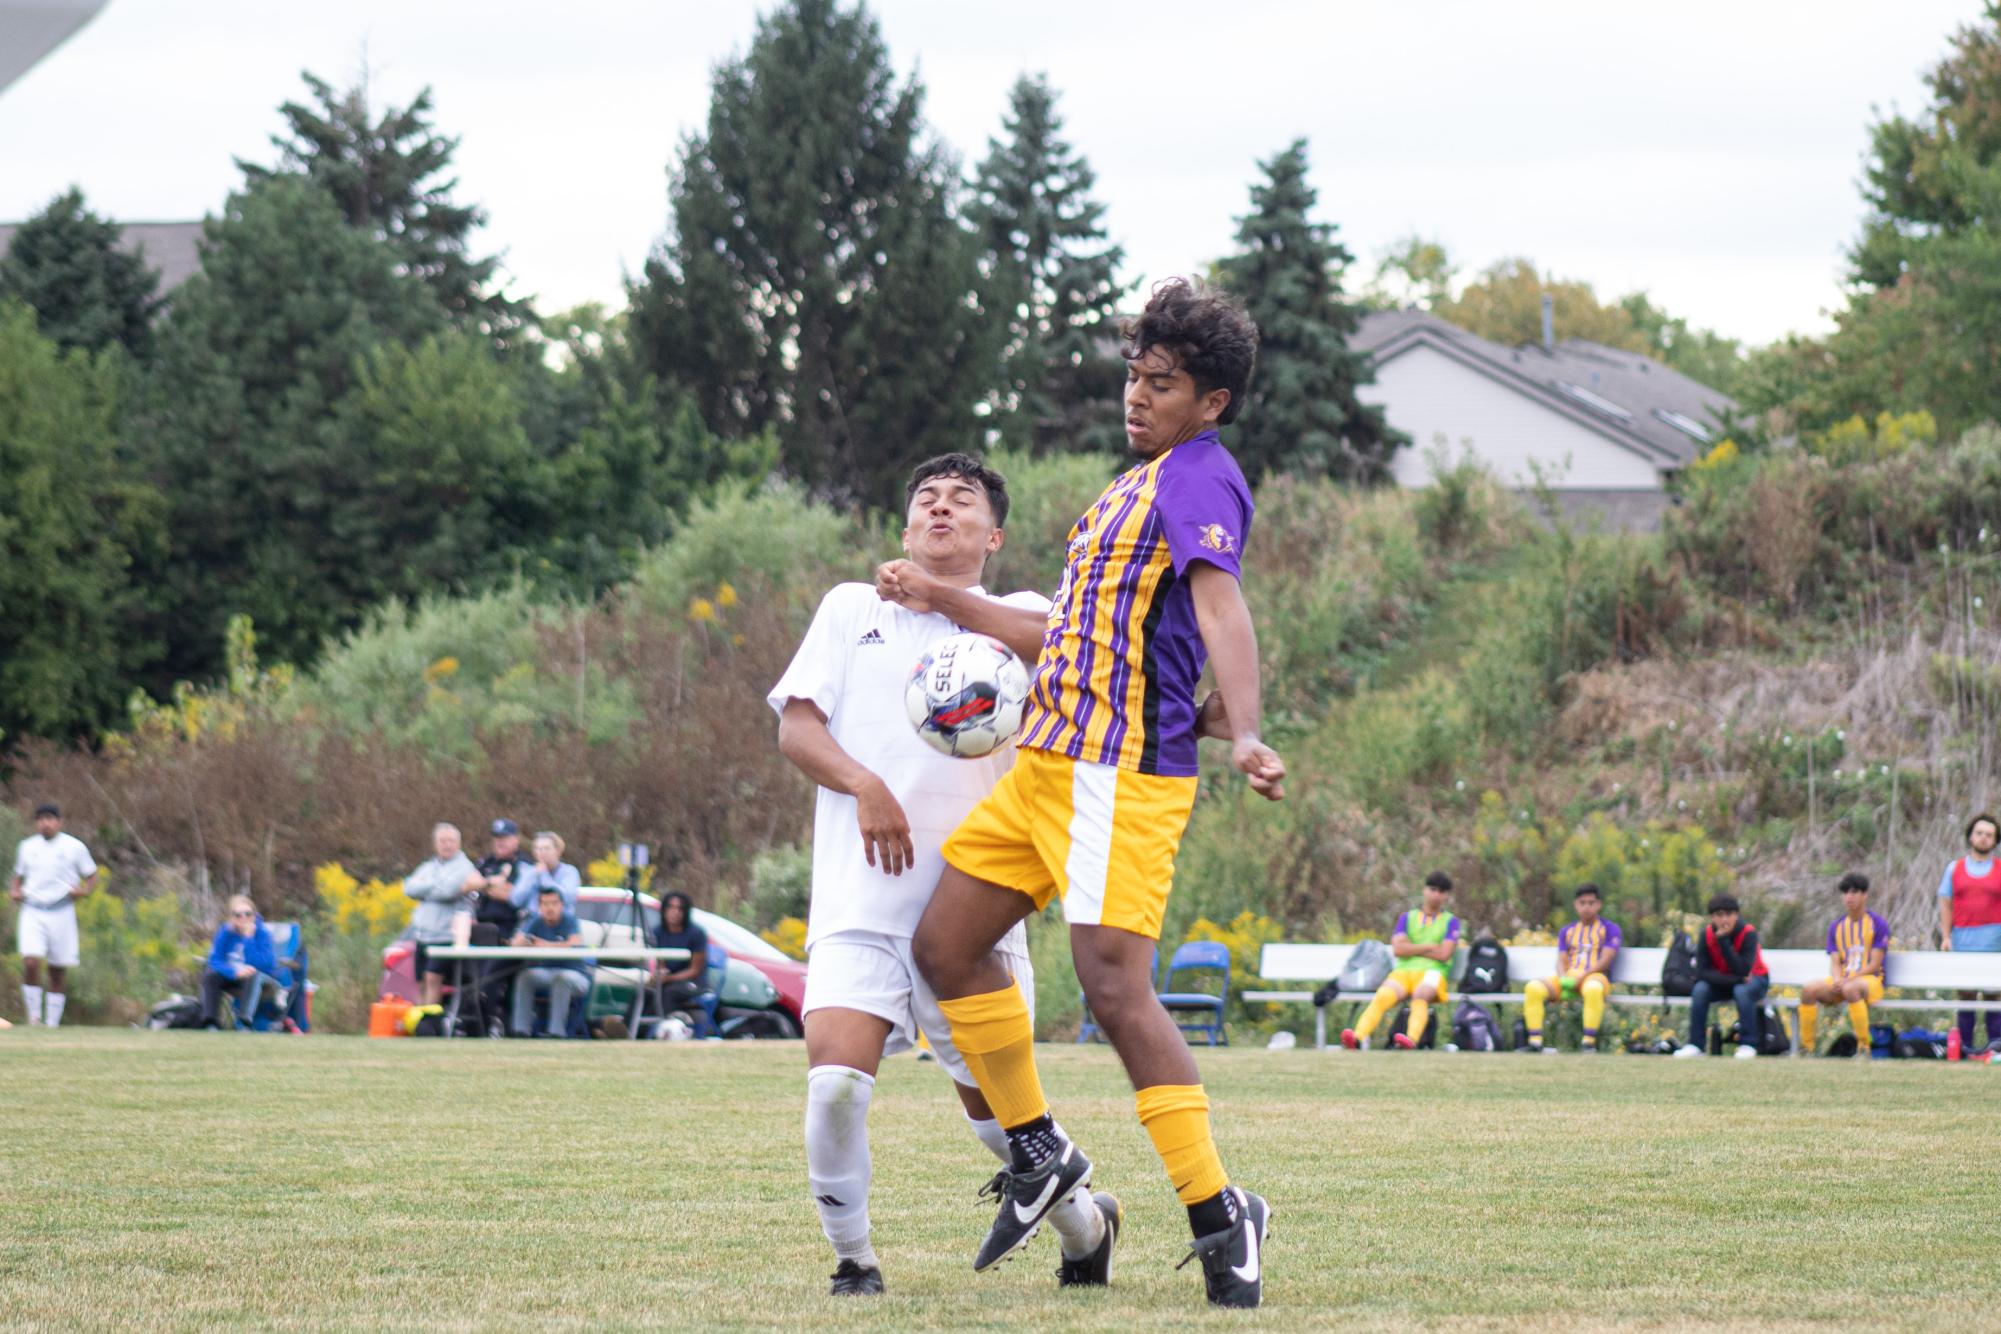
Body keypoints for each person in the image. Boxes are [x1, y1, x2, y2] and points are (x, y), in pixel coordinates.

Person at [888, 281, 1284, 1308]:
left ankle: (1216, 1207)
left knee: (1113, 988)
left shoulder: (1199, 476)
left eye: (1165, 383)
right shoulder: (1132, 484)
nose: (1139, 396)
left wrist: (1245, 727)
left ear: (1214, 402)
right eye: (1134, 376)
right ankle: (1039, 1149)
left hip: (1118, 777)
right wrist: (945, 598)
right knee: (944, 946)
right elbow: (1067, 632)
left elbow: (1221, 602)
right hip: (1044, 766)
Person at [771, 452, 1114, 1297]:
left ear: (992, 536)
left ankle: (1088, 1229)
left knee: (1007, 1132)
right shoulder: (851, 609)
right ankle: (854, 1261)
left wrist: (945, 601)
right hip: (861, 899)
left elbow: (1065, 646)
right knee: (836, 1088)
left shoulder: (1028, 614)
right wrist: (865, 785)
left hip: (970, 917)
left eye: (962, 501)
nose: (940, 509)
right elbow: (798, 729)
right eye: (924, 498)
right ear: (902, 529)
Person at [1341, 872, 1461, 1051]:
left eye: (1441, 891)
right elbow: (1398, 950)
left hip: (1433, 972)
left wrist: (1411, 948)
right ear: (1424, 890)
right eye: (1432, 889)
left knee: (1420, 995)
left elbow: (1444, 954)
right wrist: (1430, 946)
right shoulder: (1408, 917)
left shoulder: (1451, 921)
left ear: (1447, 896)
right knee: (1384, 995)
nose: (1436, 895)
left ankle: (1410, 1040)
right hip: (1405, 971)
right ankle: (1357, 1038)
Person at [10, 802, 98, 1027]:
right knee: (31, 960)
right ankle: (34, 1018)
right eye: (40, 819)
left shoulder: (73, 847)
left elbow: (91, 875)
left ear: (59, 822)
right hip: (33, 909)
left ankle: (52, 1023)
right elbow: (17, 876)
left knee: (57, 968)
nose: (45, 824)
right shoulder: (27, 847)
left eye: (50, 819)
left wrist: (83, 891)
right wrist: (15, 891)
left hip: (61, 910)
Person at [1521, 883, 1622, 1053]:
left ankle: (1588, 1043)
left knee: (1593, 989)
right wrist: (1563, 979)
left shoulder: (1610, 929)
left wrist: (1581, 978)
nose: (1586, 907)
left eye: (1591, 903)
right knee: (1533, 988)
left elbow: (1605, 960)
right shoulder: (1567, 931)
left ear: (1598, 905)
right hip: (1569, 978)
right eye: (1582, 903)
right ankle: (1535, 1042)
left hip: (1594, 977)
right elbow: (1561, 960)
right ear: (1576, 904)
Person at [1799, 873, 1889, 1059]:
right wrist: (1838, 978)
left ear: (1865, 895)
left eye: (1854, 892)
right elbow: (1835, 961)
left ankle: (1864, 1047)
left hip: (1870, 981)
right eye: (1845, 892)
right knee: (1808, 990)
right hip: (1845, 980)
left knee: (1850, 988)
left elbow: (1874, 965)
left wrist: (1848, 979)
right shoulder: (1836, 926)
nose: (1849, 897)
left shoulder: (1877, 924)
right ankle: (1807, 1049)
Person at [1675, 894, 1769, 1059]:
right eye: (1719, 915)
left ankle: (1748, 1044)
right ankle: (1696, 1044)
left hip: (1756, 980)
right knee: (1700, 990)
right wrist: (1735, 980)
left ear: (1736, 915)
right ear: (1712, 917)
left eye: (1729, 914)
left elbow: (1742, 968)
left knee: (1742, 991)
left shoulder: (1748, 933)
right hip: (1731, 981)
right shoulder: (1706, 934)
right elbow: (1701, 972)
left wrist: (1724, 941)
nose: (1724, 919)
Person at [1938, 813, 2001, 1053]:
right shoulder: (1955, 868)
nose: (1984, 838)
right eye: (1980, 833)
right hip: (1964, 940)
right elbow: (1946, 902)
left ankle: (1995, 1047)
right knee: (1966, 996)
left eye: (1989, 835)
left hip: (1994, 944)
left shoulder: (1999, 869)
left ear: (1995, 841)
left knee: (1993, 997)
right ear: (1971, 836)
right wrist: (1946, 936)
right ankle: (1963, 1047)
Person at [401, 823, 482, 1006]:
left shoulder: (464, 867)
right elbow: (409, 888)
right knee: (420, 981)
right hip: (423, 935)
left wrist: (426, 886)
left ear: (459, 843)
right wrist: (436, 883)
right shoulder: (429, 866)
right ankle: (420, 1020)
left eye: (451, 841)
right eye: (443, 841)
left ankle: (431, 1022)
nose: (447, 845)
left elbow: (447, 891)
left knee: (432, 979)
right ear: (435, 844)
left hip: (445, 935)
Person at [469, 819, 532, 1035]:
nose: (500, 843)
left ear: (516, 839)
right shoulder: (485, 862)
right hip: (482, 932)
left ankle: (498, 1025)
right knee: (476, 982)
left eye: (505, 839)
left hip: (509, 932)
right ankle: (481, 1026)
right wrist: (494, 883)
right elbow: (468, 884)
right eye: (497, 839)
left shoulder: (524, 865)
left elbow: (514, 897)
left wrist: (486, 885)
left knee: (491, 981)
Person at [510, 886, 590, 1038]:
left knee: (562, 979)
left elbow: (574, 943)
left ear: (562, 905)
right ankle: (520, 1030)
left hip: (575, 975)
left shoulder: (570, 921)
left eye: (554, 903)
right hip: (547, 973)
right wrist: (523, 941)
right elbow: (516, 942)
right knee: (525, 977)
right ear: (540, 906)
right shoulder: (536, 921)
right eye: (545, 904)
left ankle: (556, 1032)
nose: (549, 908)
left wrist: (545, 944)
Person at [201, 896, 287, 1030]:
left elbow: (266, 964)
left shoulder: (262, 933)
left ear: (254, 915)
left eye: (248, 914)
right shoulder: (225, 932)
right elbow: (215, 960)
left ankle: (244, 1022)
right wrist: (234, 972)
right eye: (238, 915)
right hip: (233, 977)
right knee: (210, 974)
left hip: (261, 979)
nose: (244, 918)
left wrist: (248, 939)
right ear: (232, 918)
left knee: (253, 975)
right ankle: (211, 1022)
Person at [648, 891, 710, 1017]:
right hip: (669, 980)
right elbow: (661, 963)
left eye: (680, 909)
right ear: (664, 910)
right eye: (670, 907)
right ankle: (627, 1029)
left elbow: (695, 970)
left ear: (685, 912)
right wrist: (658, 976)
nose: (675, 912)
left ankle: (662, 1030)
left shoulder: (696, 933)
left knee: (669, 993)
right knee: (645, 991)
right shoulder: (658, 932)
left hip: (693, 983)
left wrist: (669, 979)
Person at [512, 832, 581, 917]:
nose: (542, 852)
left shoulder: (569, 871)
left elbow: (567, 897)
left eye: (546, 848)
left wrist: (544, 875)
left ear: (558, 851)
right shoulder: (529, 872)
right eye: (537, 849)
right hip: (533, 924)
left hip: (560, 925)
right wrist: (531, 876)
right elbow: (516, 900)